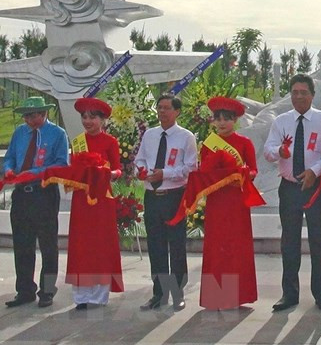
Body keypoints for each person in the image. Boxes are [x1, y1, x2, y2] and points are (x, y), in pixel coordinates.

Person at [264, 73, 321, 312]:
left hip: (315, 187)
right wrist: (279, 153)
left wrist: (314, 171)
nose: (299, 96)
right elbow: (268, 150)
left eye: (303, 92)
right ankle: (289, 294)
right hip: (290, 187)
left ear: (312, 95)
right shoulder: (281, 121)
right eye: (294, 92)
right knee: (289, 241)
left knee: (319, 240)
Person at [3, 96, 69, 308]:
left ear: (43, 114)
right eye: (26, 116)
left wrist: (33, 173)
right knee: (22, 244)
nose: (28, 120)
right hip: (22, 194)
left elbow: (61, 164)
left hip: (44, 193)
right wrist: (9, 170)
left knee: (48, 245)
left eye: (32, 115)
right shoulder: (20, 133)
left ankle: (47, 290)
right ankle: (25, 290)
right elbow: (10, 157)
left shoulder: (57, 134)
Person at [134, 93, 198, 311]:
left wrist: (166, 174)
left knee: (176, 245)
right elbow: (140, 158)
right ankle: (158, 293)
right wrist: (140, 170)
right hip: (152, 196)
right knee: (156, 245)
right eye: (159, 108)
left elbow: (190, 168)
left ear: (177, 111)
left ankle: (178, 293)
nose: (162, 111)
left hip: (173, 196)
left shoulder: (186, 137)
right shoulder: (150, 135)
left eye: (167, 108)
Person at [198, 96, 258, 310]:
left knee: (236, 248)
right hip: (216, 202)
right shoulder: (209, 144)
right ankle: (216, 297)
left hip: (236, 202)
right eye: (218, 119)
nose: (222, 123)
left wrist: (244, 174)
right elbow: (203, 171)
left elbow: (253, 170)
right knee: (216, 247)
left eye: (227, 119)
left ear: (235, 120)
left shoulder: (244, 143)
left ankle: (237, 296)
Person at [66, 98, 123, 309]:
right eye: (84, 117)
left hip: (102, 199)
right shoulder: (77, 142)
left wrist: (106, 172)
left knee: (100, 244)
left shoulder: (110, 142)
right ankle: (81, 296)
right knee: (81, 245)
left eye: (93, 117)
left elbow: (118, 170)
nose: (87, 121)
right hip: (81, 199)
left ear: (102, 119)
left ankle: (99, 296)